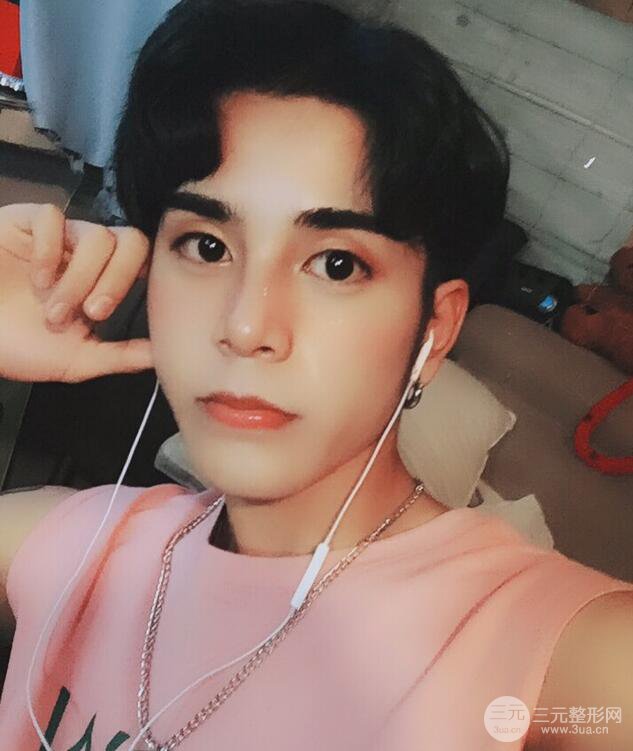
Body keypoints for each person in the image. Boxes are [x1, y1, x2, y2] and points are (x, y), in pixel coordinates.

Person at [0, 1, 631, 749]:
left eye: (336, 264)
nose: (246, 327)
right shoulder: (70, 547)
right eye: (206, 246)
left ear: (434, 329)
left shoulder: (559, 656)